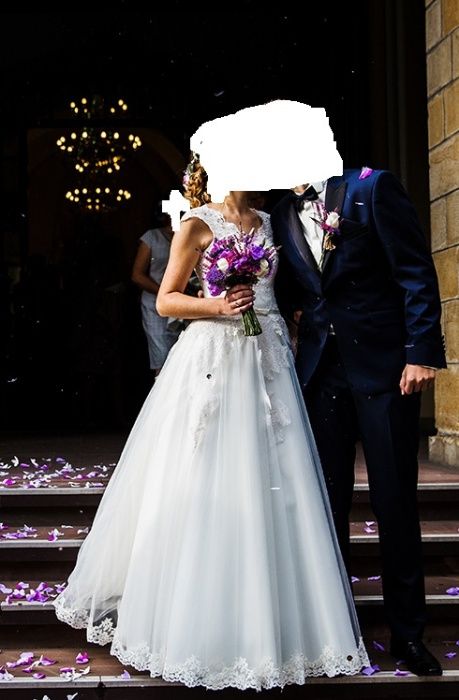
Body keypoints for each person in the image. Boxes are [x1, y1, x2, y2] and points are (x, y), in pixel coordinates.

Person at [53, 155, 370, 690]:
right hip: (215, 359)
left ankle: (278, 621)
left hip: (269, 358)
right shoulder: (197, 224)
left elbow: (288, 288)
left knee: (278, 477)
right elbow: (168, 301)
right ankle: (199, 617)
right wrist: (219, 306)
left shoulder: (272, 221)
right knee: (208, 472)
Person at [271, 169, 446, 677]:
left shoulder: (371, 189)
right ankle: (337, 633)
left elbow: (415, 272)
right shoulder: (279, 215)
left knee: (394, 502)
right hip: (321, 375)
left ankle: (408, 636)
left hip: (386, 371)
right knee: (328, 506)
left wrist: (420, 353)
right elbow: (292, 290)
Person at [131, 212, 181, 376]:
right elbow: (137, 275)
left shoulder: (186, 235)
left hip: (181, 305)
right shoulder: (152, 237)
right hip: (154, 305)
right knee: (162, 357)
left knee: (180, 356)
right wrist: (165, 293)